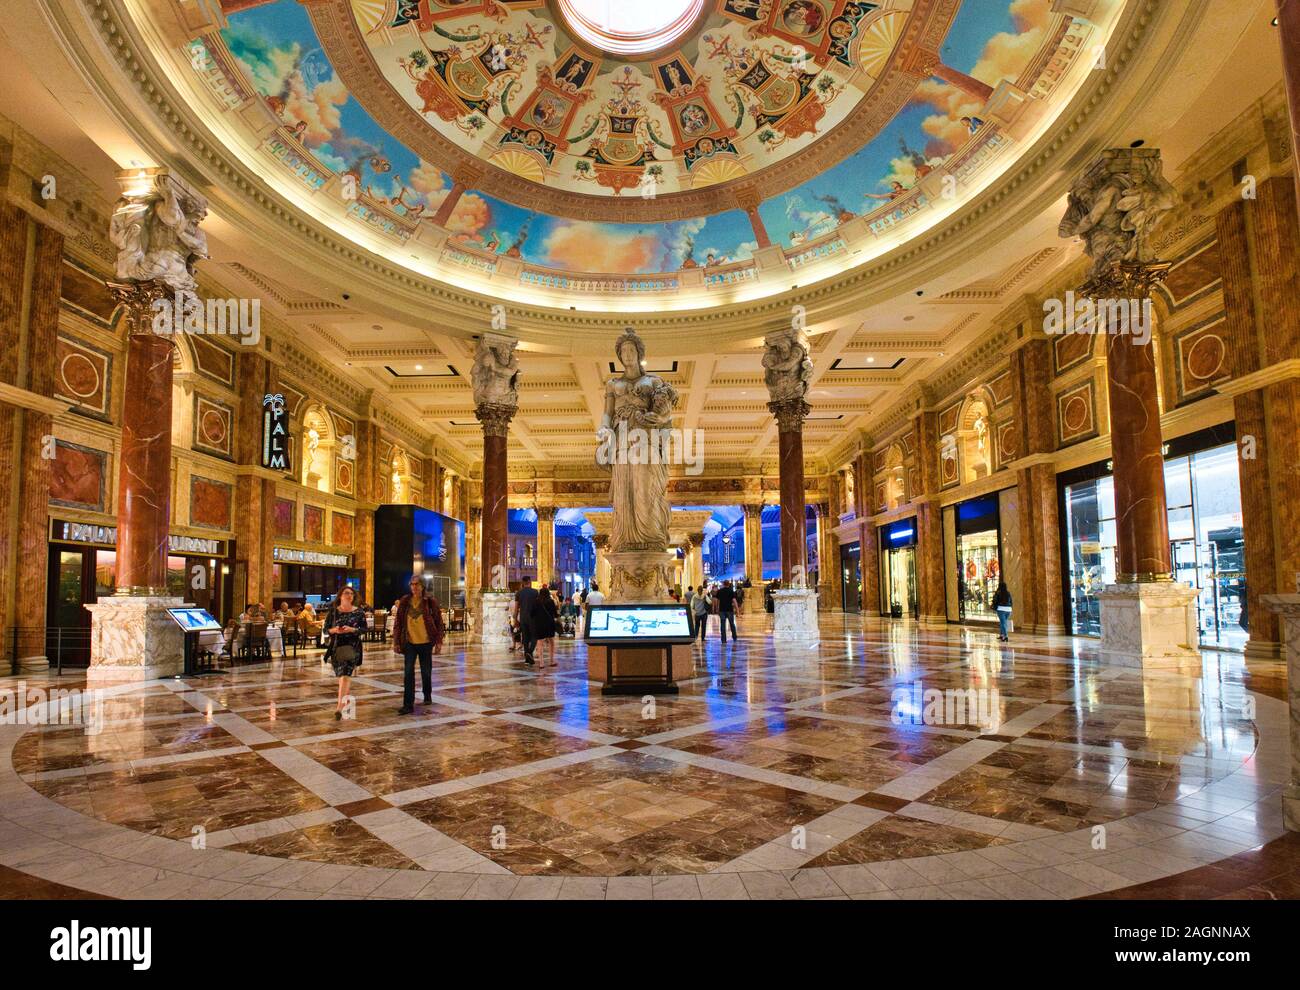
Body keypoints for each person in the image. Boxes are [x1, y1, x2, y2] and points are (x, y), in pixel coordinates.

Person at [392, 575, 445, 715]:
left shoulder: (429, 602)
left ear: (422, 586)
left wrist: (439, 641)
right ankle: (408, 704)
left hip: (426, 642)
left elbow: (439, 622)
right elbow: (398, 623)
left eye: (417, 584)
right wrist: (396, 641)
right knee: (408, 673)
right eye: (412, 584)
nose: (414, 587)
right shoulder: (405, 601)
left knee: (426, 672)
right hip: (409, 643)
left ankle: (427, 694)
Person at [325, 586, 365, 720]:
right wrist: (335, 630)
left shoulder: (359, 612)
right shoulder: (333, 612)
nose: (349, 595)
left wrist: (351, 629)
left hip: (352, 648)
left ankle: (339, 708)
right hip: (337, 648)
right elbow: (326, 630)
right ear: (340, 596)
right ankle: (346, 701)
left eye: (351, 594)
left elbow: (364, 629)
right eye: (346, 593)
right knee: (342, 677)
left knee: (345, 675)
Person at [530, 585, 559, 669]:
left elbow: (532, 614)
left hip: (539, 624)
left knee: (540, 643)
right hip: (549, 624)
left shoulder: (536, 602)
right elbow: (555, 614)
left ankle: (541, 663)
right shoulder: (551, 601)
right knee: (551, 642)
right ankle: (552, 661)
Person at [512, 577, 538, 665]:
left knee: (525, 638)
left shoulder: (519, 593)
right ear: (529, 582)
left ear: (522, 583)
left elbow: (516, 609)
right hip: (533, 617)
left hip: (523, 618)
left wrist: (515, 620)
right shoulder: (535, 592)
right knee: (535, 636)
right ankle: (529, 652)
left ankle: (527, 659)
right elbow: (538, 605)